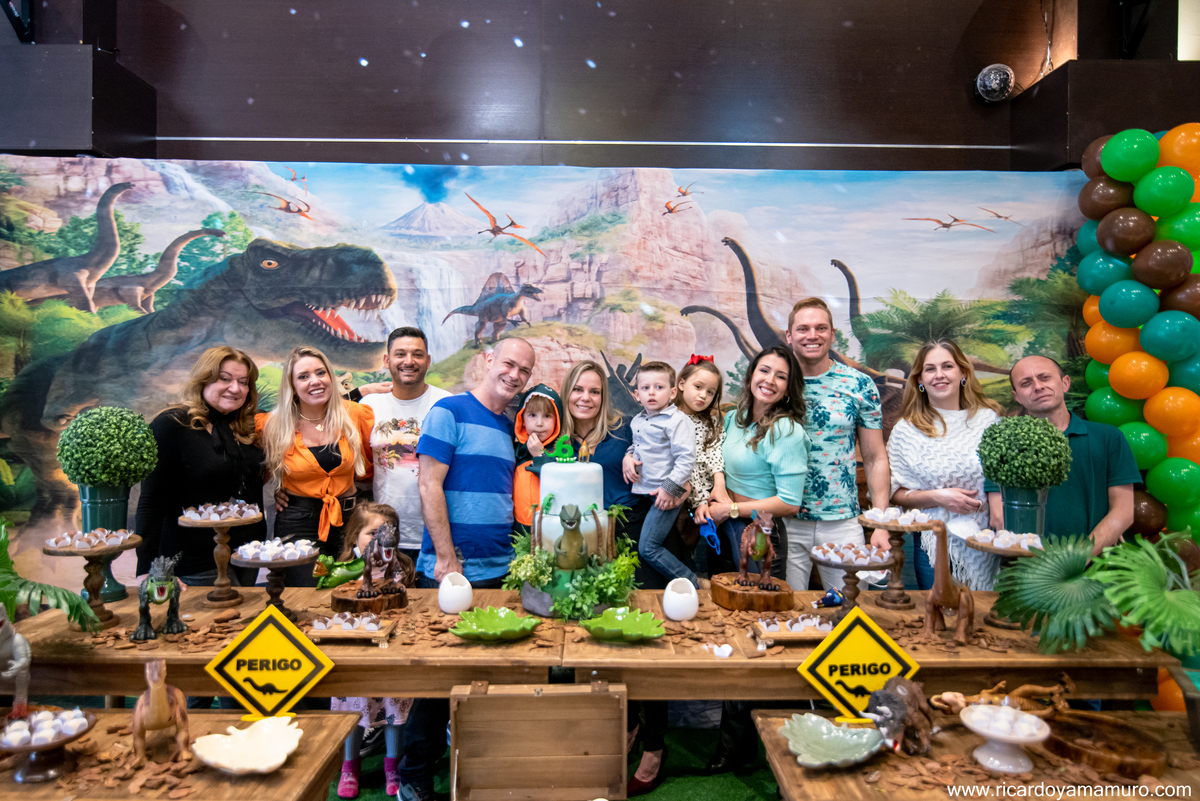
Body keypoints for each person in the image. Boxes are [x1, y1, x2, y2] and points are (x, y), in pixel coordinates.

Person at [399, 337, 536, 801]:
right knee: (437, 681)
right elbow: (428, 484)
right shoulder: (449, 412)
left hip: (499, 571)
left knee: (483, 681)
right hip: (450, 572)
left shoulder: (507, 426)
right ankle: (414, 778)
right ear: (488, 360)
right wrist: (445, 557)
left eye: (524, 371)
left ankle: (472, 776)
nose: (514, 375)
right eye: (509, 364)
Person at [557, 359, 670, 795]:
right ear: (567, 393)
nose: (585, 398)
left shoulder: (625, 432)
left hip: (630, 546)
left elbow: (664, 460)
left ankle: (655, 746)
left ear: (605, 397)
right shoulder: (556, 437)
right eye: (578, 390)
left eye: (594, 391)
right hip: (581, 555)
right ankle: (626, 726)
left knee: (644, 645)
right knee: (601, 646)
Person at [703, 346, 810, 773]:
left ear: (788, 388)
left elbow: (789, 502)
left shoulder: (786, 431)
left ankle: (741, 748)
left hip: (760, 536)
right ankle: (733, 743)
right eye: (764, 370)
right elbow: (719, 465)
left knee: (755, 638)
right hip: (725, 527)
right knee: (727, 628)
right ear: (751, 374)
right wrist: (718, 496)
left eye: (781, 376)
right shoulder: (734, 418)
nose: (770, 380)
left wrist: (731, 509)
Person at [135, 345, 265, 587]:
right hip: (195, 560)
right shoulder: (172, 425)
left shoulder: (248, 428)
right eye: (224, 379)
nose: (235, 388)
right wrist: (147, 567)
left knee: (244, 611)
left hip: (248, 554)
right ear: (203, 379)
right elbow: (151, 501)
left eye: (243, 382)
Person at [785, 297, 890, 591]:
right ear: (789, 336)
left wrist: (881, 522)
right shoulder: (774, 383)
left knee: (851, 607)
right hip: (785, 521)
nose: (812, 335)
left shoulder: (859, 384)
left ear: (832, 334)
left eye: (821, 328)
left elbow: (875, 457)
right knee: (783, 609)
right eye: (803, 328)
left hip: (843, 522)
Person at [986, 355, 1138, 554]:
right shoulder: (1005, 444)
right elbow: (999, 516)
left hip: (1097, 564)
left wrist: (1078, 558)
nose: (1038, 386)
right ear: (1017, 397)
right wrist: (1044, 561)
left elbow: (1123, 511)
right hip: (1029, 563)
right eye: (1026, 383)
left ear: (1065, 383)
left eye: (1045, 378)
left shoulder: (1108, 437)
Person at [887, 340, 1004, 590]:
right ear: (920, 380)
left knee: (982, 610)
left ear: (963, 373)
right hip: (933, 541)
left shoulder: (989, 419)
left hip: (985, 539)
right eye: (930, 369)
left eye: (947, 366)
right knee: (937, 611)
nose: (939, 374)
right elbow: (895, 493)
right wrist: (939, 497)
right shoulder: (907, 430)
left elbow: (1002, 478)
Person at [258, 345, 374, 586]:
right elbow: (254, 473)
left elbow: (375, 469)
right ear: (292, 386)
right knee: (306, 595)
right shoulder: (273, 425)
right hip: (298, 521)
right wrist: (273, 492)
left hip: (351, 519)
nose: (315, 381)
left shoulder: (354, 414)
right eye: (303, 376)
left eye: (321, 373)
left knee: (353, 592)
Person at [332, 502, 414, 799]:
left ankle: (393, 765)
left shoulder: (399, 570)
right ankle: (349, 766)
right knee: (352, 708)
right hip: (356, 653)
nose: (379, 540)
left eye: (387, 533)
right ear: (354, 535)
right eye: (371, 533)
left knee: (394, 708)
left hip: (390, 652)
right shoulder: (344, 571)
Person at [357, 326, 450, 564]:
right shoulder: (369, 405)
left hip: (437, 538)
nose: (409, 361)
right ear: (387, 360)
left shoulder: (448, 403)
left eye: (417, 354)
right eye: (400, 354)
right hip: (385, 536)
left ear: (428, 360)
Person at [622, 360, 697, 587]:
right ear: (637, 394)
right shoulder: (638, 420)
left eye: (659, 387)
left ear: (673, 392)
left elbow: (686, 460)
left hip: (666, 494)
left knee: (648, 548)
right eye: (645, 388)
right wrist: (628, 457)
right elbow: (637, 445)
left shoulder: (677, 421)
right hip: (644, 493)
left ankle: (691, 582)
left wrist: (669, 488)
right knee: (652, 543)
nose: (652, 393)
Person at [678, 356, 732, 551]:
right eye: (698, 387)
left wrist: (719, 485)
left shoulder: (711, 423)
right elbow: (685, 464)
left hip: (705, 500)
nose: (703, 395)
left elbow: (714, 454)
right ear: (682, 384)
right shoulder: (668, 419)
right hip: (676, 496)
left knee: (701, 549)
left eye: (710, 392)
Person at [511, 383, 563, 529]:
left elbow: (561, 488)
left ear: (557, 419)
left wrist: (540, 456)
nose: (539, 423)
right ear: (522, 419)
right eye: (532, 415)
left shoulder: (562, 454)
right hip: (519, 530)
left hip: (551, 530)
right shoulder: (514, 451)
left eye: (547, 416)